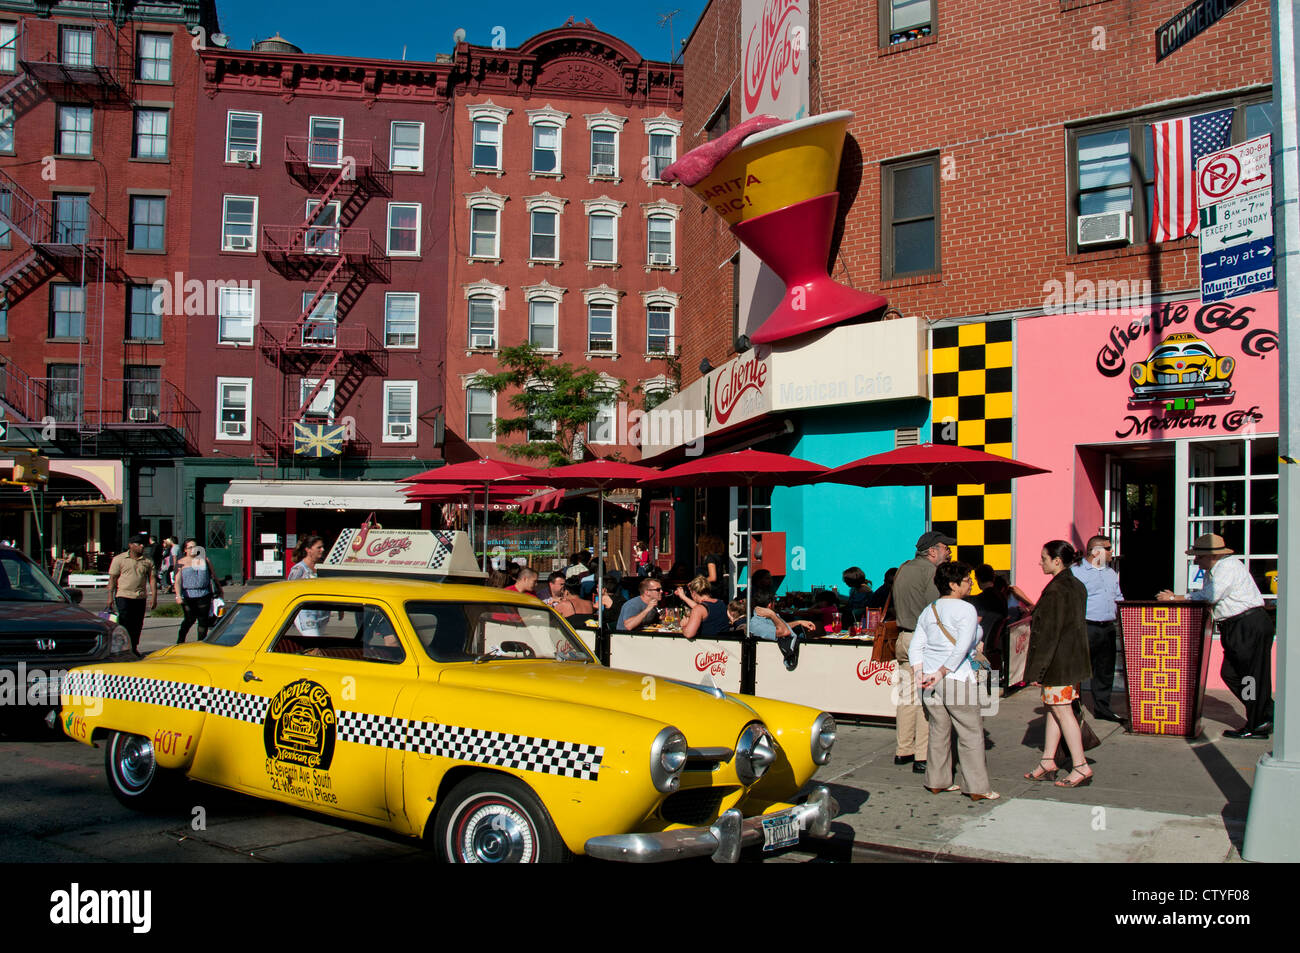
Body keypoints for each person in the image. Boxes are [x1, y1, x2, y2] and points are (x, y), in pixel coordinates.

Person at [1158, 534, 1275, 739]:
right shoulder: (1214, 570)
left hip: (1246, 624)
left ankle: (1257, 722)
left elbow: (1212, 595)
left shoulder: (1227, 567)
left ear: (1211, 556)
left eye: (1199, 557)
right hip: (1237, 625)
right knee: (1232, 673)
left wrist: (1176, 598)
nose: (1196, 561)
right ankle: (1264, 711)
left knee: (1249, 676)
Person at [911, 561, 999, 801]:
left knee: (939, 729)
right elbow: (961, 648)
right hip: (955, 677)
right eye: (967, 579)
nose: (970, 583)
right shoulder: (966, 609)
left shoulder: (930, 609)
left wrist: (919, 673)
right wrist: (942, 671)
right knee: (970, 732)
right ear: (953, 584)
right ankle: (977, 787)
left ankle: (936, 780)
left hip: (928, 679)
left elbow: (916, 645)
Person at [1023, 539, 1094, 788]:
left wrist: (1037, 670)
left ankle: (1080, 766)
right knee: (1055, 709)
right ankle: (1048, 760)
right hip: (1071, 661)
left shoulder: (1055, 590)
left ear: (1056, 560)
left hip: (1058, 664)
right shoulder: (1076, 585)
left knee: (1062, 712)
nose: (1040, 562)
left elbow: (1048, 634)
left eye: (1044, 558)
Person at [890, 531, 956, 773]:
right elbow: (937, 608)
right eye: (945, 548)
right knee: (926, 700)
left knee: (906, 697)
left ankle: (903, 749)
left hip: (904, 637)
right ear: (932, 551)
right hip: (925, 642)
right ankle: (922, 755)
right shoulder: (931, 573)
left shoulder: (904, 568)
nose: (948, 552)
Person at [1071, 535, 1126, 723]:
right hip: (1086, 626)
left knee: (1105, 670)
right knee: (1078, 669)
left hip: (1108, 627)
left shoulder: (1110, 573)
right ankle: (1071, 706)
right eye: (1108, 548)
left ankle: (1103, 708)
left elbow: (1118, 597)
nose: (1112, 552)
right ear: (1096, 551)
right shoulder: (1077, 572)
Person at [736, 586, 815, 671]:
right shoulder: (756, 623)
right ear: (770, 604)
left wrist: (799, 622)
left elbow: (781, 627)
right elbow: (785, 631)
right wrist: (772, 615)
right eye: (774, 602)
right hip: (769, 667)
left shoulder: (767, 618)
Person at [107, 532, 156, 655]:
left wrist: (154, 596)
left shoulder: (147, 560)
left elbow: (152, 578)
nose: (142, 546)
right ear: (131, 545)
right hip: (123, 595)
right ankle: (124, 648)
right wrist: (110, 598)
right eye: (138, 544)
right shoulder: (119, 559)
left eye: (143, 544)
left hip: (140, 596)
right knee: (125, 622)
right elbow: (112, 579)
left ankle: (134, 647)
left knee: (137, 624)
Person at [174, 539, 223, 644]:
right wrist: (178, 596)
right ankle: (180, 640)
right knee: (189, 618)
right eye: (190, 547)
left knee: (203, 620)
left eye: (195, 547)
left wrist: (219, 589)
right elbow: (177, 580)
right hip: (188, 594)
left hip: (204, 593)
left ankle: (201, 642)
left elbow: (213, 575)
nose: (193, 549)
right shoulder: (180, 562)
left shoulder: (204, 560)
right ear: (185, 550)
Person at [287, 535, 331, 637]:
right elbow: (288, 591)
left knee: (315, 646)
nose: (322, 550)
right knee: (313, 646)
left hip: (322, 615)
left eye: (322, 547)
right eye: (318, 547)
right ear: (308, 550)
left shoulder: (322, 567)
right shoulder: (299, 569)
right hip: (306, 614)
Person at [966, 563, 1008, 663]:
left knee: (983, 677)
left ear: (978, 579)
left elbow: (974, 624)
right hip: (998, 645)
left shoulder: (981, 599)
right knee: (993, 677)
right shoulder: (1002, 596)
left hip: (982, 646)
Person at [675, 575, 731, 640]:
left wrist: (684, 626)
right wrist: (683, 597)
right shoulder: (720, 603)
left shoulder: (699, 609)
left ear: (694, 593)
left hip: (707, 647)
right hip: (723, 645)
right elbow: (701, 609)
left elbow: (689, 634)